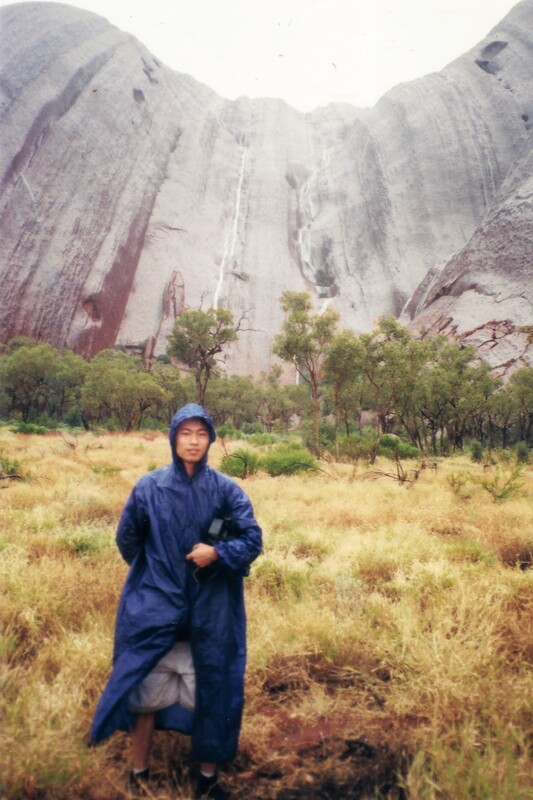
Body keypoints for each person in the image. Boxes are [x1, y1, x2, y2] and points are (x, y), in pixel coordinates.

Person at [90, 403, 262, 799]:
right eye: (186, 433)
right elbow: (127, 539)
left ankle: (206, 779)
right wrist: (155, 576)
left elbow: (252, 540)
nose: (193, 441)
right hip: (156, 613)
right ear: (173, 437)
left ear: (211, 440)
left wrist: (216, 554)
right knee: (143, 697)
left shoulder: (226, 489)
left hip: (210, 613)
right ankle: (139, 773)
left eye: (201, 434)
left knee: (213, 694)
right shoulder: (149, 487)